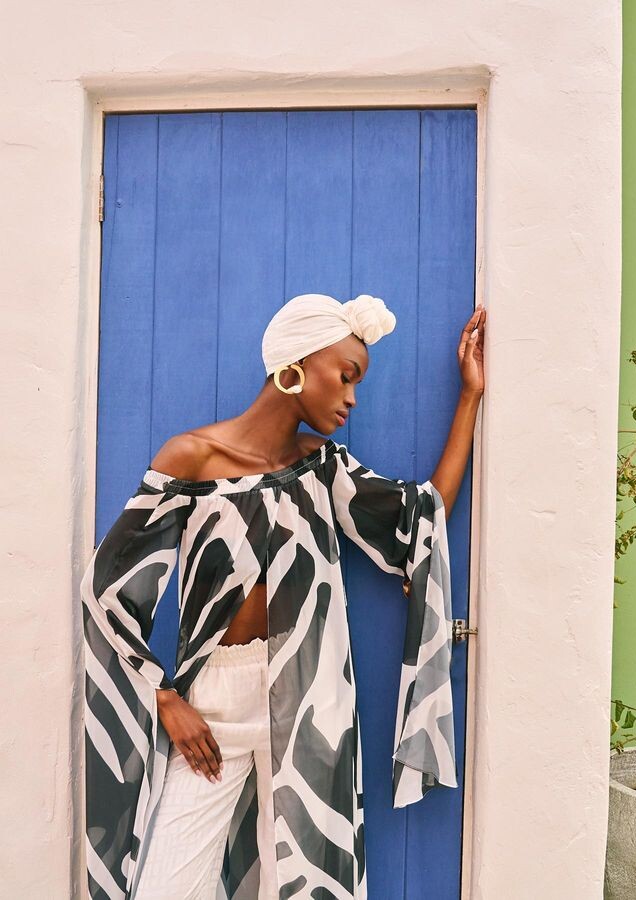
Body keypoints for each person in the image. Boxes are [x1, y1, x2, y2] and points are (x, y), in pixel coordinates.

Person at [81, 292, 486, 900]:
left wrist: (470, 396)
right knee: (166, 885)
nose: (352, 397)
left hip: (309, 700)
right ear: (295, 366)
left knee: (307, 886)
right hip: (214, 705)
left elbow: (422, 519)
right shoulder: (191, 460)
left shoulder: (322, 465)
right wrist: (163, 697)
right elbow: (107, 590)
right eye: (346, 375)